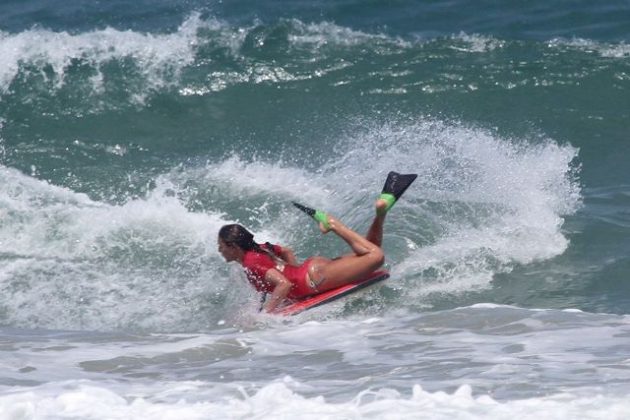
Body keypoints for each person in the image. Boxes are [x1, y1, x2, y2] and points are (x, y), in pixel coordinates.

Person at [217, 171, 417, 313]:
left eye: (222, 246)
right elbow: (285, 253)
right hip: (311, 271)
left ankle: (331, 223)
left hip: (315, 280)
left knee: (376, 256)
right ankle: (383, 209)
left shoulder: (251, 262)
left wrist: (268, 314)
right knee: (370, 250)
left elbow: (283, 284)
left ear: (233, 246)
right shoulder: (259, 250)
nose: (220, 250)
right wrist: (296, 275)